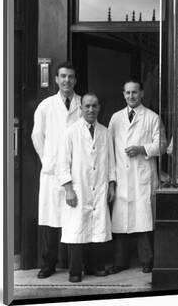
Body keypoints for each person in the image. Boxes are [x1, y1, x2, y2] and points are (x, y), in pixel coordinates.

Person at [107, 80, 165, 274]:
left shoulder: (152, 117)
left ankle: (147, 260)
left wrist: (142, 149)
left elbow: (162, 145)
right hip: (122, 177)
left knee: (143, 221)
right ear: (123, 95)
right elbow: (109, 151)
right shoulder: (115, 119)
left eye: (134, 92)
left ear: (141, 93)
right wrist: (112, 181)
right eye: (127, 93)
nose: (131, 96)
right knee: (121, 222)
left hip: (142, 175)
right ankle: (120, 261)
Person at [57, 93, 116, 283]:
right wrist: (68, 189)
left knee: (97, 228)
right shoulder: (71, 132)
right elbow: (63, 163)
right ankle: (75, 271)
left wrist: (112, 185)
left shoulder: (105, 132)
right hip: (78, 188)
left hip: (99, 186)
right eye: (87, 106)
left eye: (94, 106)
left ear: (99, 108)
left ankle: (94, 266)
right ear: (81, 108)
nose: (91, 110)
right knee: (77, 229)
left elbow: (111, 162)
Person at [31, 62, 81, 279]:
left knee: (75, 220)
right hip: (52, 173)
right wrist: (48, 161)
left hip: (76, 171)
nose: (66, 80)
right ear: (55, 79)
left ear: (75, 80)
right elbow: (37, 136)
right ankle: (48, 264)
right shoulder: (46, 106)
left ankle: (75, 266)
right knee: (51, 220)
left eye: (70, 77)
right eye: (62, 76)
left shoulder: (82, 104)